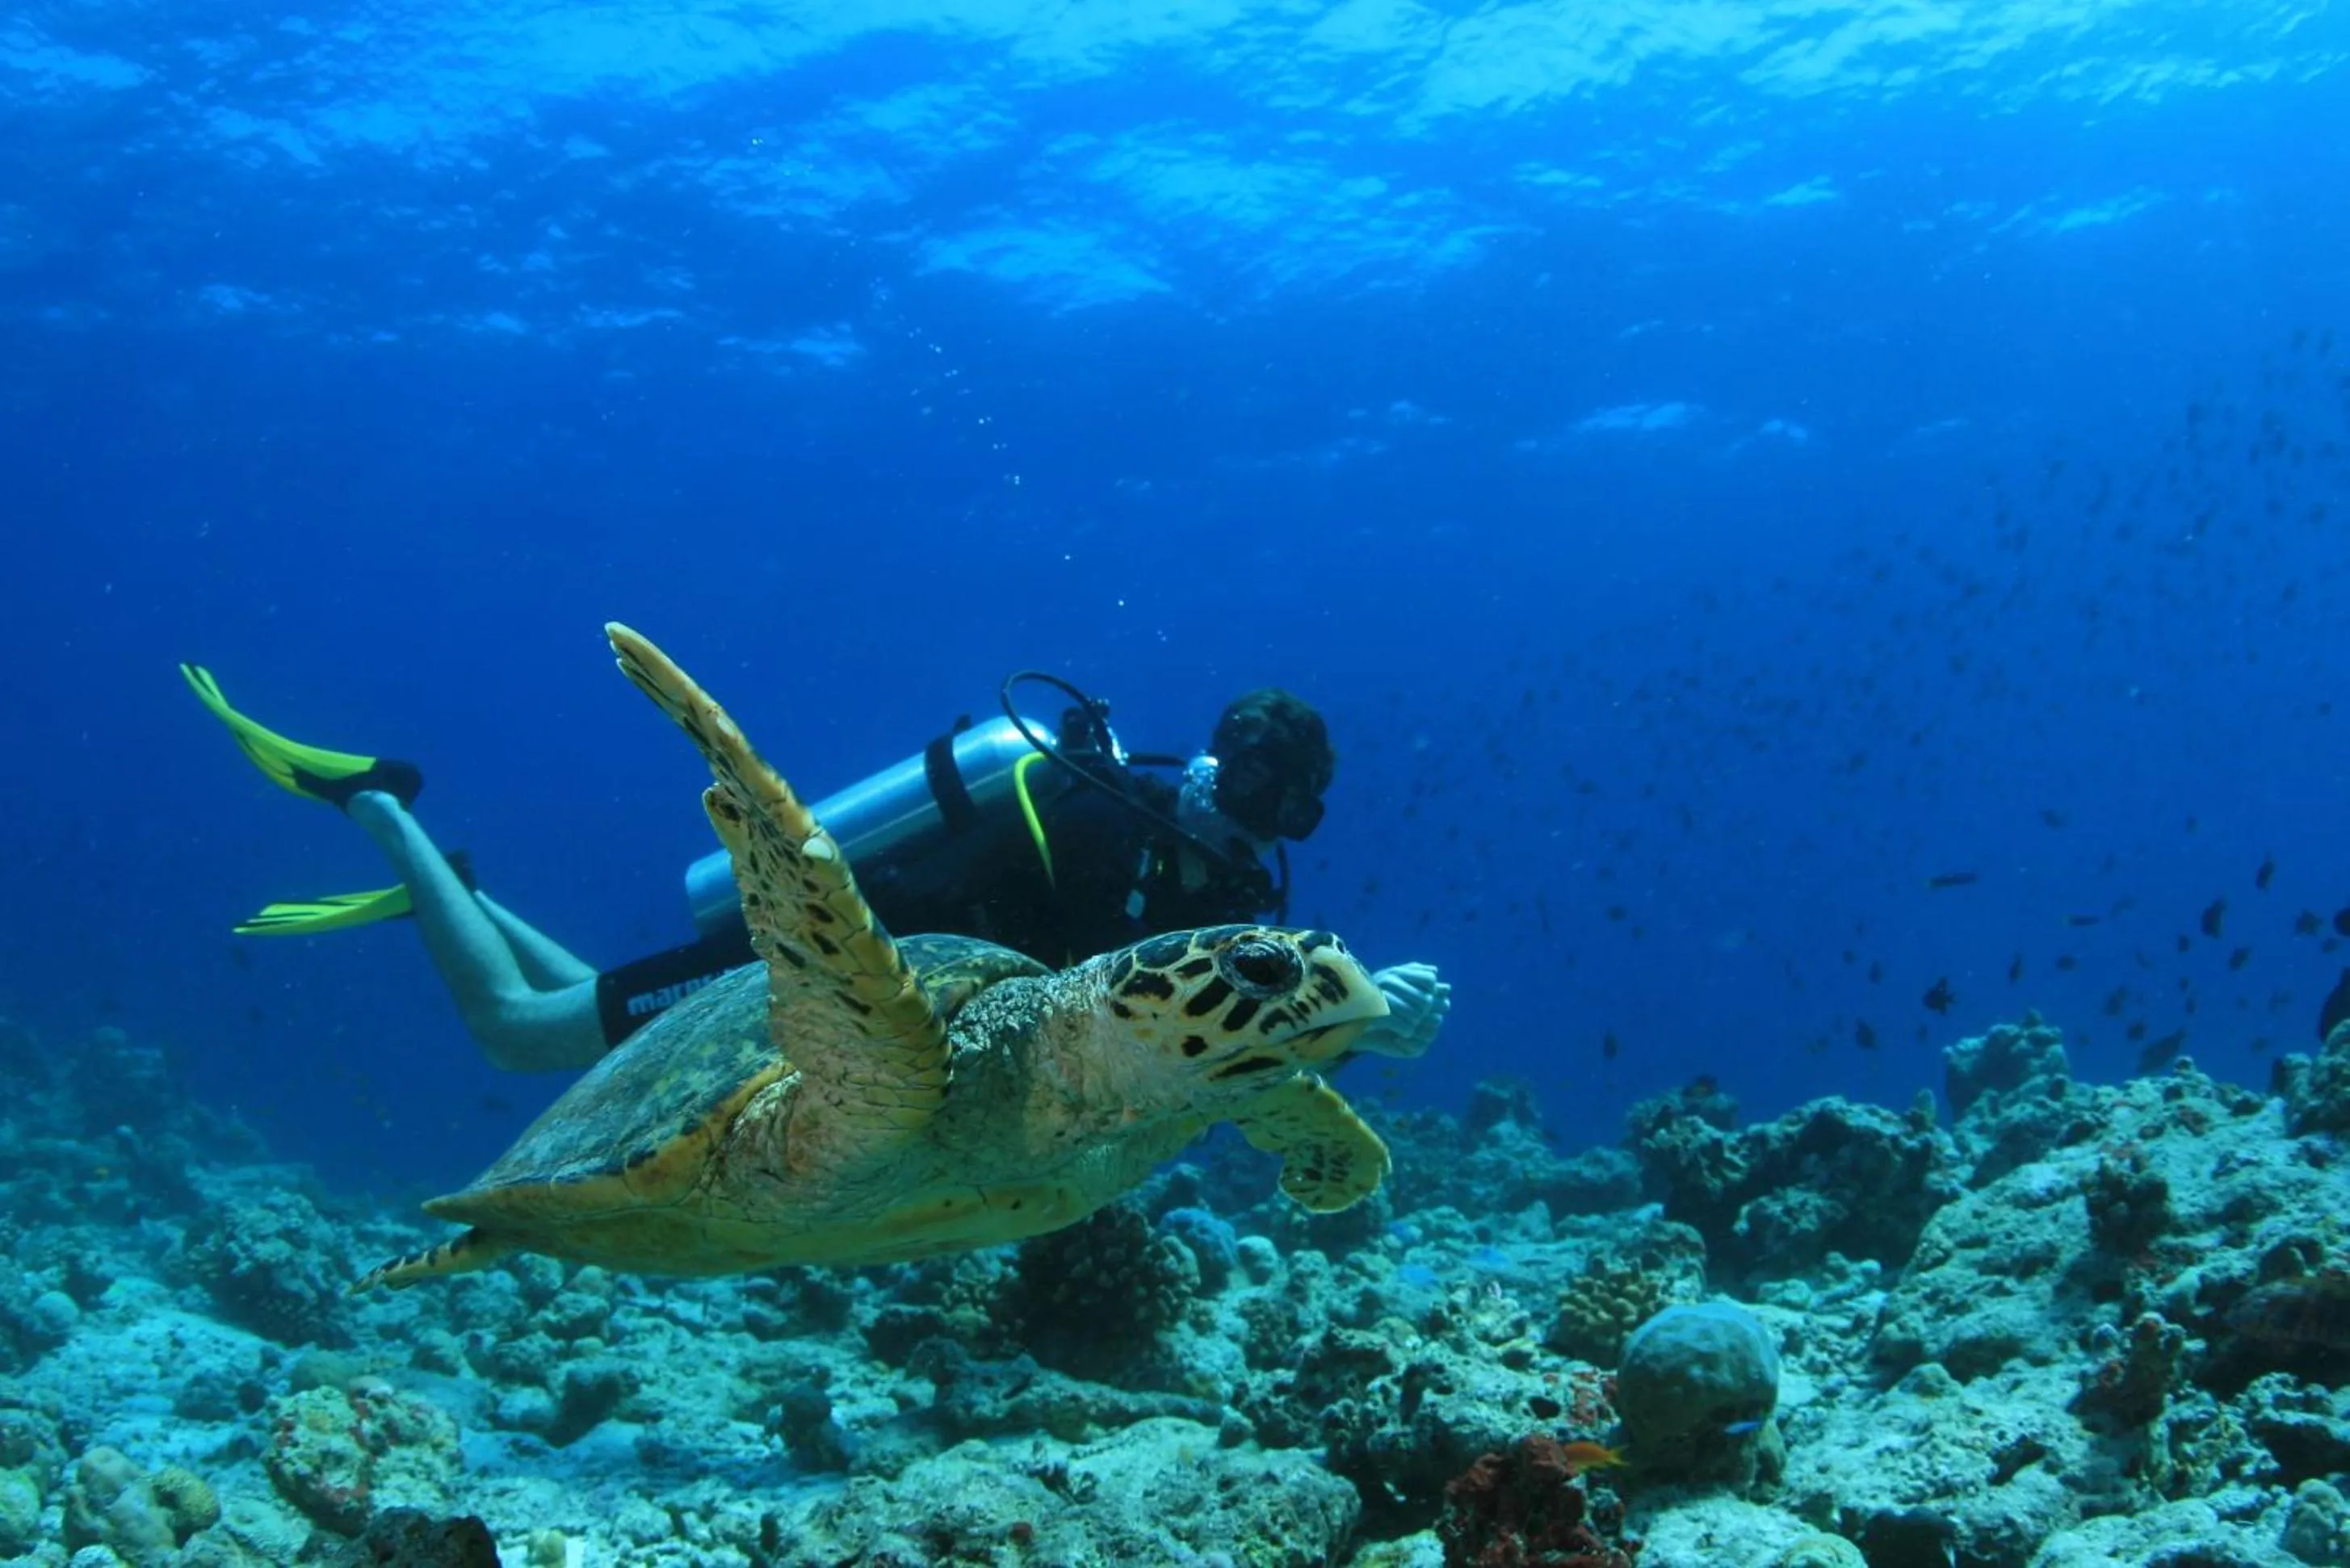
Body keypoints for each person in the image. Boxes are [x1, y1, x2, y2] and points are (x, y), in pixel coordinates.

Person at [183, 663, 1450, 1075]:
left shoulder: (1228, 891)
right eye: (1261, 787)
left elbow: (1210, 1027)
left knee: (598, 1035)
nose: (1270, 822)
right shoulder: (1112, 817)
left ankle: (448, 889)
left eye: (1296, 807)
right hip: (831, 960)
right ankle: (380, 804)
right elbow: (1122, 993)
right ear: (1222, 766)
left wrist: (1363, 1022)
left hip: (885, 1008)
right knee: (525, 1038)